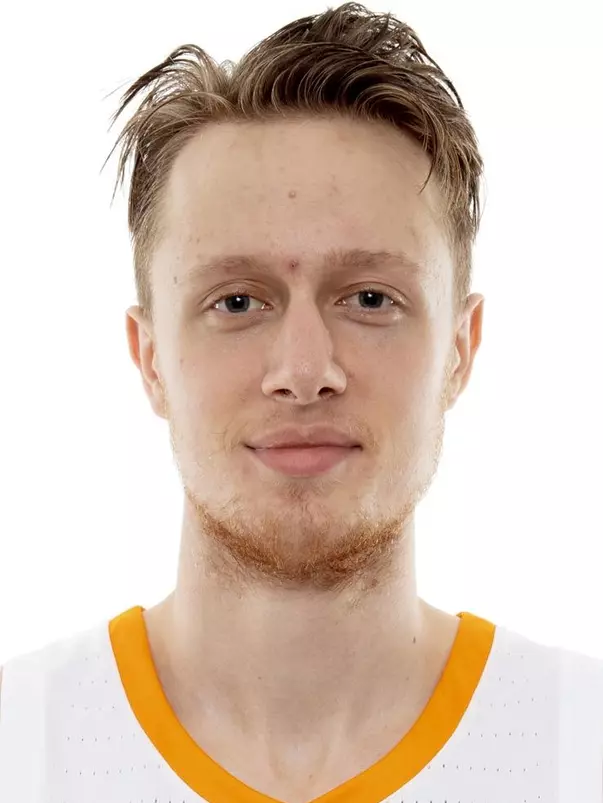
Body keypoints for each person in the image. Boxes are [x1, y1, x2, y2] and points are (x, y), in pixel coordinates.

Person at [1, 3, 602, 801]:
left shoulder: (579, 743)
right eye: (238, 302)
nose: (304, 369)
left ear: (461, 347)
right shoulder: (21, 743)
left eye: (369, 297)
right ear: (148, 358)